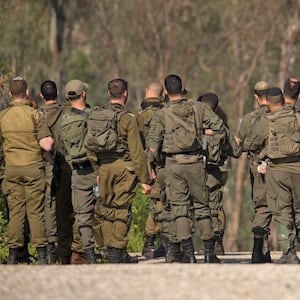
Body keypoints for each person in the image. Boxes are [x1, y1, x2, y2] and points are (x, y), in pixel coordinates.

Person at [147, 74, 227, 263]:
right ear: (183, 87)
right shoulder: (198, 108)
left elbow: (152, 147)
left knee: (179, 208)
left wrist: (150, 168)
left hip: (173, 165)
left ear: (165, 92)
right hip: (196, 164)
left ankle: (189, 253)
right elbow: (219, 127)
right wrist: (201, 131)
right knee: (202, 206)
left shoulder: (160, 114)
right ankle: (209, 253)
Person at [91, 78, 151, 263]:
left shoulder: (96, 116)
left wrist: (97, 171)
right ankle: (117, 252)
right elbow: (137, 152)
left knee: (106, 208)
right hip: (125, 168)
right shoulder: (128, 119)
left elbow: (90, 148)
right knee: (121, 209)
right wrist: (144, 180)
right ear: (126, 93)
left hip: (104, 168)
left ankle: (110, 250)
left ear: (109, 94)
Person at [0, 76, 54, 264]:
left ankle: (13, 256)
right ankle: (42, 255)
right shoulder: (35, 115)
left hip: (12, 169)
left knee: (15, 212)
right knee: (35, 211)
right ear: (27, 93)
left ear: (9, 94)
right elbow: (46, 145)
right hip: (33, 169)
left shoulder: (3, 116)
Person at [255, 87, 300, 263]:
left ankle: (288, 253)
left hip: (277, 171)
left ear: (267, 102)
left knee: (282, 212)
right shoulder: (298, 118)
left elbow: (250, 142)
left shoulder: (265, 121)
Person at [60, 79, 98, 263]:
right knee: (103, 212)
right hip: (96, 170)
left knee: (82, 216)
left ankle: (89, 254)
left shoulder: (64, 121)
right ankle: (107, 250)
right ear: (83, 94)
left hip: (77, 172)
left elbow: (63, 149)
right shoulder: (92, 116)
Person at [237, 81, 273, 263]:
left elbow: (241, 145)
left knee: (262, 207)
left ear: (256, 97)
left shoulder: (249, 119)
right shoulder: (283, 115)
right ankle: (287, 248)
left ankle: (259, 250)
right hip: (283, 166)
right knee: (286, 207)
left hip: (258, 168)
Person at [197, 93, 233, 255]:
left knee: (199, 204)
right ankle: (217, 241)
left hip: (199, 168)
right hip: (220, 167)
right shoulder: (221, 121)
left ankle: (206, 241)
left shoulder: (195, 121)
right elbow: (233, 148)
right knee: (216, 203)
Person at [136, 81, 167, 259]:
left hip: (148, 166)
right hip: (164, 165)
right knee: (161, 205)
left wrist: (144, 172)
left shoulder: (139, 117)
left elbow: (137, 147)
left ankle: (151, 243)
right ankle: (154, 242)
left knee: (157, 205)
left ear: (147, 92)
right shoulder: (166, 114)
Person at [38, 80, 59, 264]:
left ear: (41, 96)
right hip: (61, 163)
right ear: (57, 94)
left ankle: (49, 247)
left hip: (41, 165)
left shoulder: (36, 115)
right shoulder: (64, 113)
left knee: (46, 205)